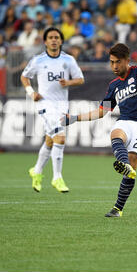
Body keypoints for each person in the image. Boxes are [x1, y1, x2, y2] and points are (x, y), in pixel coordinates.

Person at [61, 43, 137, 217]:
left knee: (133, 160)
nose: (114, 66)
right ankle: (124, 165)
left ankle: (118, 208)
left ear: (127, 61)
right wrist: (74, 118)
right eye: (112, 62)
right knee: (116, 134)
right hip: (126, 121)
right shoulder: (113, 85)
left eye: (118, 62)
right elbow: (101, 111)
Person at [20, 27, 85, 193]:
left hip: (62, 105)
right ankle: (57, 177)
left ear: (61, 41)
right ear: (45, 41)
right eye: (50, 37)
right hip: (44, 104)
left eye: (57, 37)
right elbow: (24, 76)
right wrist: (31, 92)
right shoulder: (38, 60)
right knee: (60, 138)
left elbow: (80, 79)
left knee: (50, 140)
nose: (54, 40)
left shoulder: (69, 60)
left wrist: (68, 83)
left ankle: (36, 171)